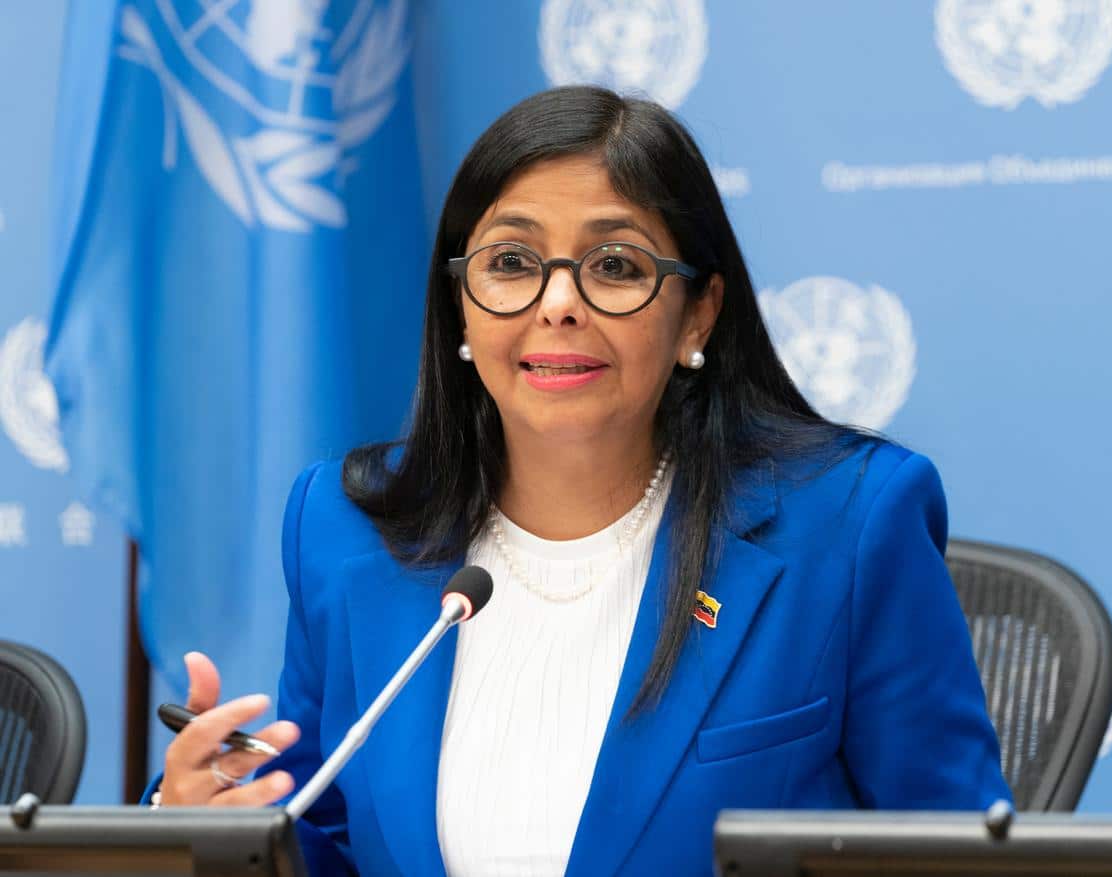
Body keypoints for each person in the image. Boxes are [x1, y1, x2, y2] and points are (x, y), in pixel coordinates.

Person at [150, 85, 1010, 876]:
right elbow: (324, 834)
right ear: (460, 303)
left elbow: (953, 856)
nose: (558, 303)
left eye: (616, 266)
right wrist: (208, 817)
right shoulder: (348, 529)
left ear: (698, 314)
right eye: (512, 262)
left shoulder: (847, 526)